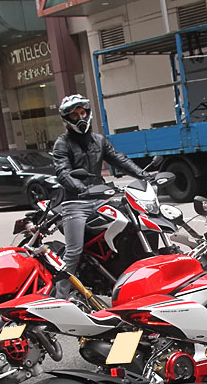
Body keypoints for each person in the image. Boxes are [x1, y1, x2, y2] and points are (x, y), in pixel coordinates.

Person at [51, 93, 154, 297]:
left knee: (131, 223)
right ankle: (59, 298)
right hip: (75, 203)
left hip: (100, 198)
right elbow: (62, 172)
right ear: (67, 119)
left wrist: (144, 174)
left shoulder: (98, 139)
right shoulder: (62, 143)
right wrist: (81, 189)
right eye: (74, 115)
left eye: (82, 112)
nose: (80, 118)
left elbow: (118, 159)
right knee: (73, 252)